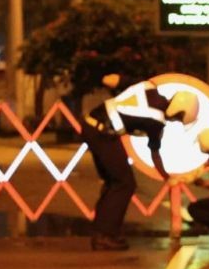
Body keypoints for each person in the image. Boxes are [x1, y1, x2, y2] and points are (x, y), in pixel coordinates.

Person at [80, 73, 191, 251]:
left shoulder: (147, 86)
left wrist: (106, 80)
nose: (173, 121)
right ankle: (104, 236)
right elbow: (155, 153)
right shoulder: (157, 121)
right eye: (177, 119)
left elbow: (112, 79)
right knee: (124, 183)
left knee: (112, 182)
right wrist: (166, 177)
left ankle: (103, 232)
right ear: (177, 112)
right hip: (103, 134)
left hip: (91, 126)